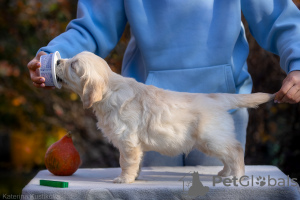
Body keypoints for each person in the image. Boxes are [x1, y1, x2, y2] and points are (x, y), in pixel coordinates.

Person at [28, 0, 300, 166]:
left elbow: (280, 18)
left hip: (218, 107)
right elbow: (91, 27)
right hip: (146, 114)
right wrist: (53, 59)